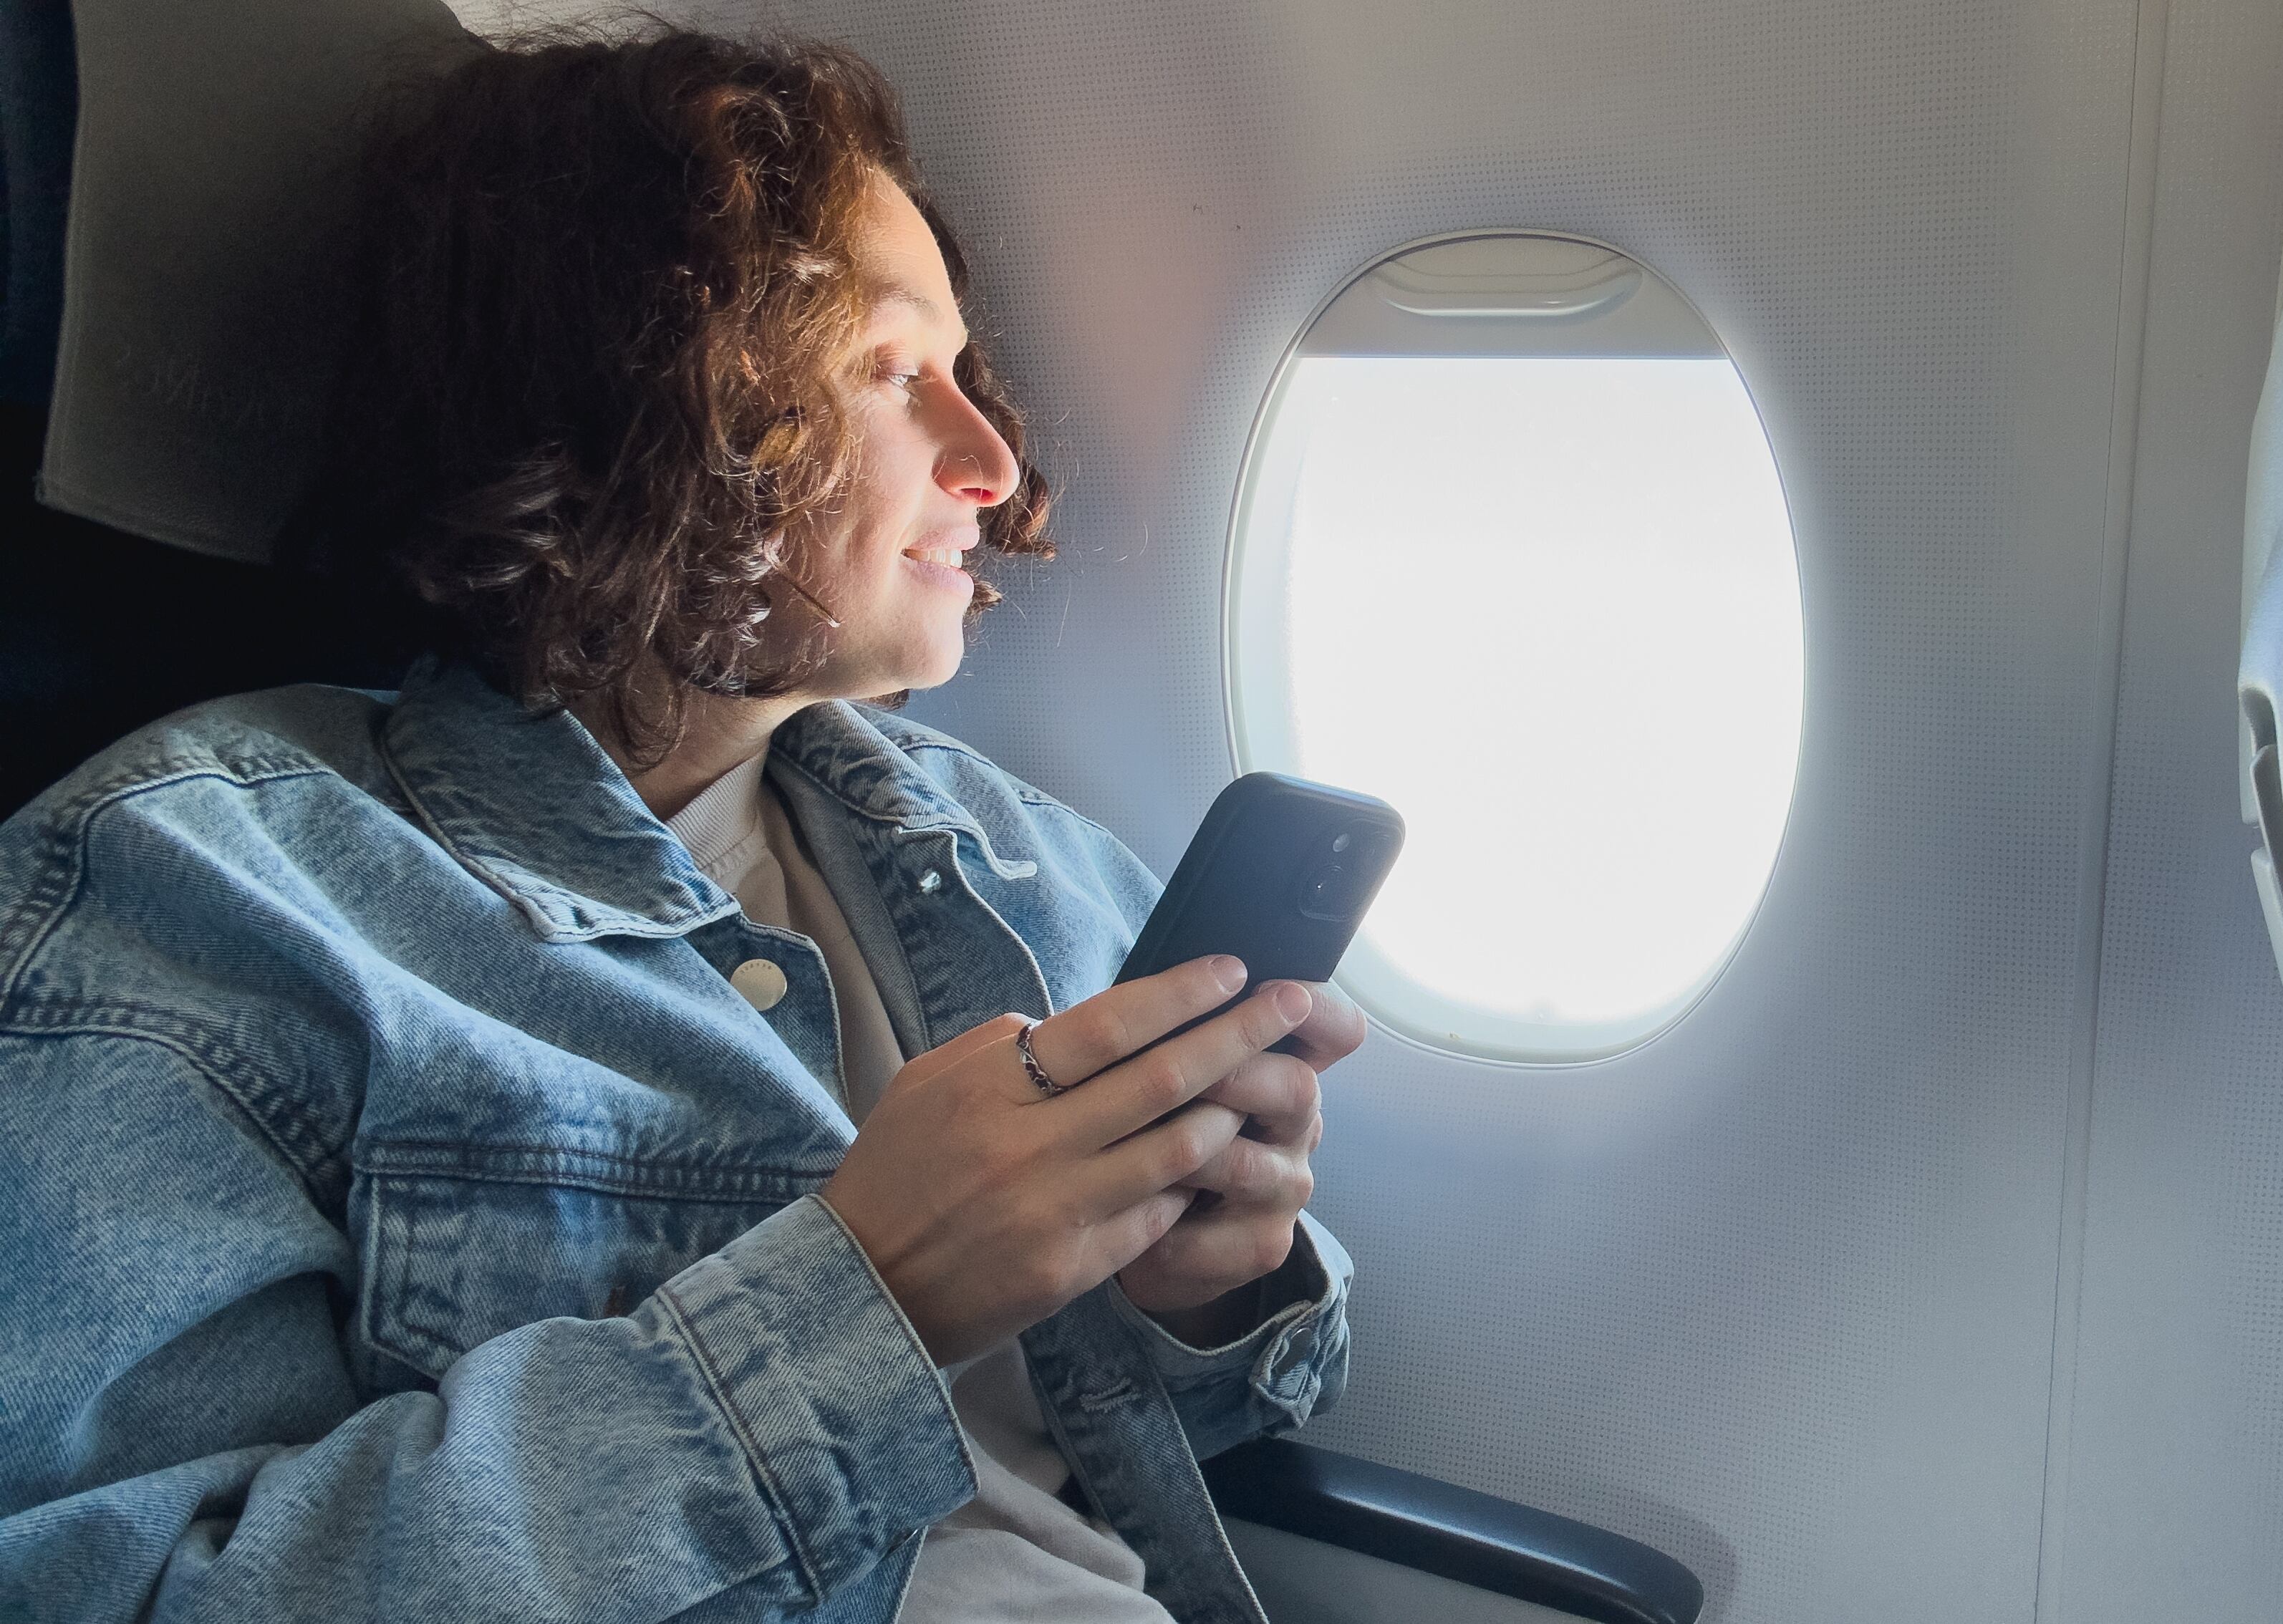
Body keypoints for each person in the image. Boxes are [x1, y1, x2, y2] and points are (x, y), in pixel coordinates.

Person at [0, 24, 1361, 1624]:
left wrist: (1212, 1290)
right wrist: (869, 1294)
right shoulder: (194, 902)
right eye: (894, 373)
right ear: (650, 382)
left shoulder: (1022, 868)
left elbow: (1158, 1444)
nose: (994, 460)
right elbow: (132, 1592)